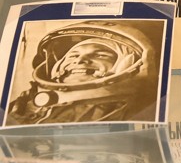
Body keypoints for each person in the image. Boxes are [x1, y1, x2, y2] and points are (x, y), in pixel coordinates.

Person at [6, 21, 160, 125]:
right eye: (73, 55)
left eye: (101, 55)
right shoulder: (21, 104)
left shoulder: (138, 109)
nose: (80, 61)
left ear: (125, 64)